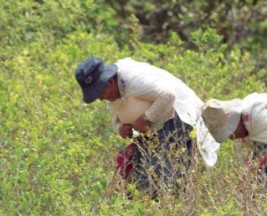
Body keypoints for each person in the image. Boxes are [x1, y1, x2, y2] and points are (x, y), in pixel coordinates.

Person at [74, 56, 219, 195]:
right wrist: (121, 129)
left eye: (99, 92)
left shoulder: (134, 80)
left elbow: (168, 95)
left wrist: (147, 118)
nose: (100, 98)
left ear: (110, 82)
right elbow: (116, 120)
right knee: (134, 177)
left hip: (175, 122)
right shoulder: (110, 95)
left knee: (159, 181)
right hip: (148, 134)